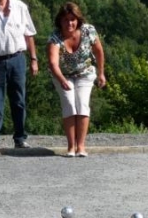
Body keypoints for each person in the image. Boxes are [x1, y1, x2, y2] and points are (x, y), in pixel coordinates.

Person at [47, 2, 106, 157]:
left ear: (78, 20)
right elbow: (53, 63)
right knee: (69, 104)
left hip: (85, 73)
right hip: (62, 75)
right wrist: (61, 80)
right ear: (60, 21)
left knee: (82, 104)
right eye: (66, 20)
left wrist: (101, 74)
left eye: (72, 19)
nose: (69, 23)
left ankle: (81, 146)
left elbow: (99, 52)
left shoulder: (88, 31)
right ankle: (71, 146)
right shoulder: (55, 38)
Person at [0, 0, 38, 149]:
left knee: (19, 100)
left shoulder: (20, 7)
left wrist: (34, 59)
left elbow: (29, 35)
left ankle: (20, 138)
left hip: (17, 58)